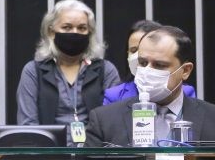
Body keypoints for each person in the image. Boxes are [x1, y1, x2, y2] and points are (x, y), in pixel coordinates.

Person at [86, 25, 215, 147]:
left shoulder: (211, 118)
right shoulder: (104, 120)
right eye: (142, 63)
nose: (147, 71)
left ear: (185, 70)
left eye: (159, 65)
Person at [16, 0, 121, 141]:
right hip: (49, 151)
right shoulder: (33, 71)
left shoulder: (106, 70)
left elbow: (114, 122)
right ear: (51, 32)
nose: (74, 33)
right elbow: (28, 125)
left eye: (82, 28)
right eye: (67, 27)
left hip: (94, 151)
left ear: (90, 33)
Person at [103, 19, 196, 105]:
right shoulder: (114, 95)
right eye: (134, 50)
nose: (148, 68)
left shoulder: (185, 92)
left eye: (159, 64)